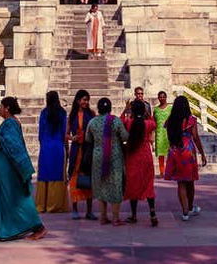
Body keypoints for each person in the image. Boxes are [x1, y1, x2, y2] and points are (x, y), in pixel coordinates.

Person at [0, 97, 48, 241]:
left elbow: (12, 145)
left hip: (9, 169)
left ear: (7, 108)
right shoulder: (8, 123)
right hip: (1, 168)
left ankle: (39, 227)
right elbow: (3, 140)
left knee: (17, 198)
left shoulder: (11, 123)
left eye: (1, 107)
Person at [84, 97, 129, 225]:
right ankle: (115, 218)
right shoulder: (116, 121)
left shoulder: (92, 122)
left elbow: (88, 139)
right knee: (115, 185)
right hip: (114, 158)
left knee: (101, 186)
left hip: (98, 157)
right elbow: (125, 137)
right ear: (110, 108)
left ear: (98, 108)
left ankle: (103, 217)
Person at [163, 95, 206, 221]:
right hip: (187, 150)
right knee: (190, 181)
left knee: (180, 182)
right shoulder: (191, 120)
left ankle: (185, 211)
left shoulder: (170, 120)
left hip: (175, 150)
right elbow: (196, 137)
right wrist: (202, 153)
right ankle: (191, 207)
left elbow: (169, 136)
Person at [123, 100, 158, 226]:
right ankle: (152, 213)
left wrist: (126, 109)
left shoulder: (129, 122)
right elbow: (155, 123)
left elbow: (122, 120)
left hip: (133, 156)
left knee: (133, 184)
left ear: (132, 110)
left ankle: (133, 215)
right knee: (149, 184)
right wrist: (147, 113)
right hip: (146, 155)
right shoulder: (148, 123)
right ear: (143, 111)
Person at [35, 90, 69, 213]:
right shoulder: (62, 113)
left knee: (44, 174)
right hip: (57, 146)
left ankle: (42, 205)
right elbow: (63, 132)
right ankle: (55, 204)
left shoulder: (44, 113)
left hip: (45, 146)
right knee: (57, 174)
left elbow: (41, 132)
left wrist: (43, 143)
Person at [66, 89, 97, 220]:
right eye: (84, 100)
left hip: (87, 150)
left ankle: (89, 211)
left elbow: (96, 131)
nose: (86, 102)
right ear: (78, 100)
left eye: (87, 100)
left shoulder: (91, 114)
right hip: (75, 151)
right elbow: (66, 134)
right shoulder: (72, 116)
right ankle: (75, 209)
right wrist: (73, 138)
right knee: (74, 179)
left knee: (88, 179)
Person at [153, 91, 171, 176]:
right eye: (160, 97)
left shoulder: (170, 108)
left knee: (170, 153)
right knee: (161, 154)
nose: (162, 98)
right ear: (158, 98)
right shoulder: (156, 109)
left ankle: (170, 170)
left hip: (169, 133)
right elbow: (153, 122)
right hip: (159, 134)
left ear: (166, 97)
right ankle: (162, 172)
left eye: (163, 97)